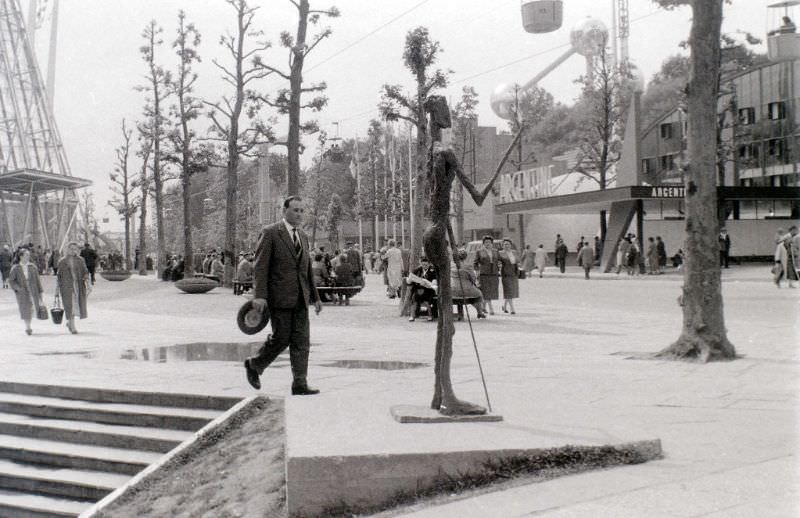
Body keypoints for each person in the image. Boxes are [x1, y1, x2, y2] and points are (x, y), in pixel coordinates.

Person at [244, 196, 322, 396]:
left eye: (302, 210)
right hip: (279, 297)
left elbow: (306, 269)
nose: (299, 214)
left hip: (301, 298)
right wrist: (259, 295)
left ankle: (300, 384)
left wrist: (315, 297)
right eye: (295, 210)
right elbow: (260, 267)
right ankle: (255, 364)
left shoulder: (303, 236)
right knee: (281, 338)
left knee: (302, 341)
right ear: (284, 211)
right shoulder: (271, 233)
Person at [8, 248, 44, 336]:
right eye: (26, 255)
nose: (28, 257)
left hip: (33, 289)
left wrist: (40, 291)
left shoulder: (32, 267)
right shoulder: (16, 268)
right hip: (22, 291)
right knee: (25, 308)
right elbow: (11, 280)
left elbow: (38, 280)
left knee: (31, 307)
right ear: (21, 256)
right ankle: (28, 327)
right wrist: (18, 288)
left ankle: (28, 324)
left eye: (28, 255)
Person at [57, 241, 91, 334]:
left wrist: (87, 281)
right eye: (71, 249)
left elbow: (85, 271)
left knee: (76, 305)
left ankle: (69, 323)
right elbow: (59, 276)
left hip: (78, 286)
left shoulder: (80, 260)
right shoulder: (62, 261)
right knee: (69, 305)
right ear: (67, 249)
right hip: (66, 287)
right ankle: (73, 327)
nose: (73, 251)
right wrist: (57, 290)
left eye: (75, 249)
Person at [473, 235, 500, 315]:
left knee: (491, 291)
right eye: (486, 242)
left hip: (494, 273)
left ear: (492, 243)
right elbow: (475, 263)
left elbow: (499, 261)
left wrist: (499, 268)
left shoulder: (495, 251)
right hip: (483, 274)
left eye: (489, 242)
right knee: (485, 290)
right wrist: (477, 271)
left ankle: (484, 307)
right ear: (483, 243)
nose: (487, 244)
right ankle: (491, 308)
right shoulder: (479, 251)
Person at [408, 256, 438, 321]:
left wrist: (427, 283)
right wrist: (410, 280)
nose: (424, 266)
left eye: (426, 265)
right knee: (414, 299)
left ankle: (430, 315)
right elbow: (410, 279)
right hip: (418, 289)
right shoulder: (417, 270)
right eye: (423, 264)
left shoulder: (432, 270)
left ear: (429, 264)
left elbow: (434, 283)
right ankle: (412, 316)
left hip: (428, 290)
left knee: (427, 301)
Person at [498, 239, 519, 314]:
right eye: (505, 244)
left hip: (514, 273)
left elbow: (517, 262)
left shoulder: (514, 252)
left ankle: (504, 306)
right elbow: (498, 263)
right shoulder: (500, 253)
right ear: (502, 245)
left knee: (511, 291)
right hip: (505, 274)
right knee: (508, 290)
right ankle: (512, 309)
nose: (507, 246)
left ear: (511, 245)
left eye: (508, 244)